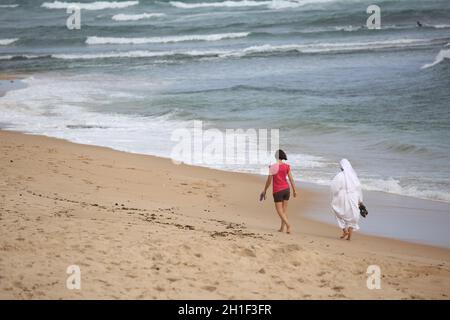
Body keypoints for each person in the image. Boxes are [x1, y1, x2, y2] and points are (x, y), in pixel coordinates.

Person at [261, 149, 297, 234]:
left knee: (280, 211)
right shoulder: (286, 166)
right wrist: (295, 190)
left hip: (278, 191)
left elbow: (269, 181)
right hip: (287, 190)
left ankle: (288, 225)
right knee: (283, 211)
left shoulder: (273, 167)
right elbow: (291, 179)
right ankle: (282, 228)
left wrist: (265, 190)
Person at [331, 159, 363, 241]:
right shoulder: (354, 176)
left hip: (341, 197)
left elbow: (335, 187)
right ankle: (349, 235)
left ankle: (345, 230)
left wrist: (335, 194)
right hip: (353, 197)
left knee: (338, 212)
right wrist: (360, 200)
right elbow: (358, 188)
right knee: (352, 215)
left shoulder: (339, 175)